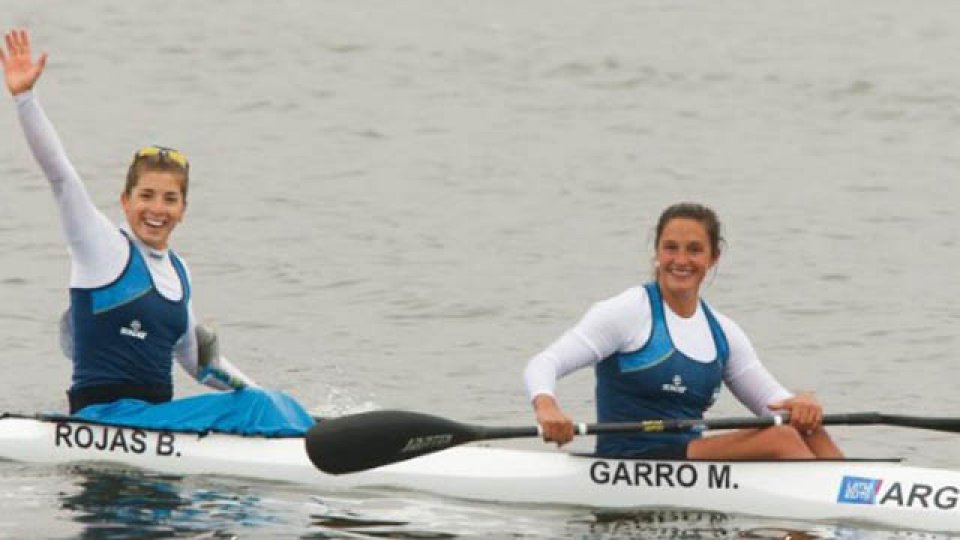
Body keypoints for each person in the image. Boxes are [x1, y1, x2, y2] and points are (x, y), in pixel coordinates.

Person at [0, 29, 307, 431]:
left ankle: (300, 431)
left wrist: (261, 396)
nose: (156, 209)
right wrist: (25, 99)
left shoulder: (180, 273)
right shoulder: (101, 247)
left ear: (183, 209)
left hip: (155, 425)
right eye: (146, 196)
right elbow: (61, 175)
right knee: (260, 410)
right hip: (103, 419)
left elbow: (201, 363)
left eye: (169, 199)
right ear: (125, 201)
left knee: (270, 405)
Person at [524, 202, 843, 459]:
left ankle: (855, 493)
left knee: (802, 425)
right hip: (629, 459)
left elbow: (774, 403)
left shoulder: (723, 332)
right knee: (781, 439)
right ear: (657, 253)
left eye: (694, 249)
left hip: (686, 459)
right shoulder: (628, 311)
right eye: (670, 248)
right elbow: (544, 363)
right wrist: (547, 406)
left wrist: (801, 403)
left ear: (713, 258)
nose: (681, 260)